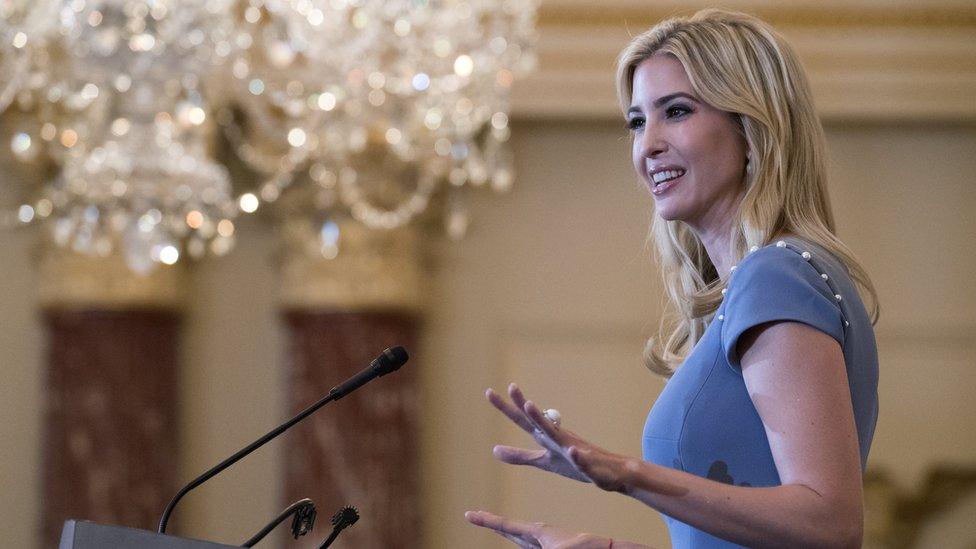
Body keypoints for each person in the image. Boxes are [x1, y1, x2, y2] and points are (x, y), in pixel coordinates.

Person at [465, 8, 880, 549]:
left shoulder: (776, 276)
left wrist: (626, 474)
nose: (647, 145)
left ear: (752, 126)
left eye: (676, 111)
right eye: (637, 122)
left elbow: (830, 525)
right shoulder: (775, 281)